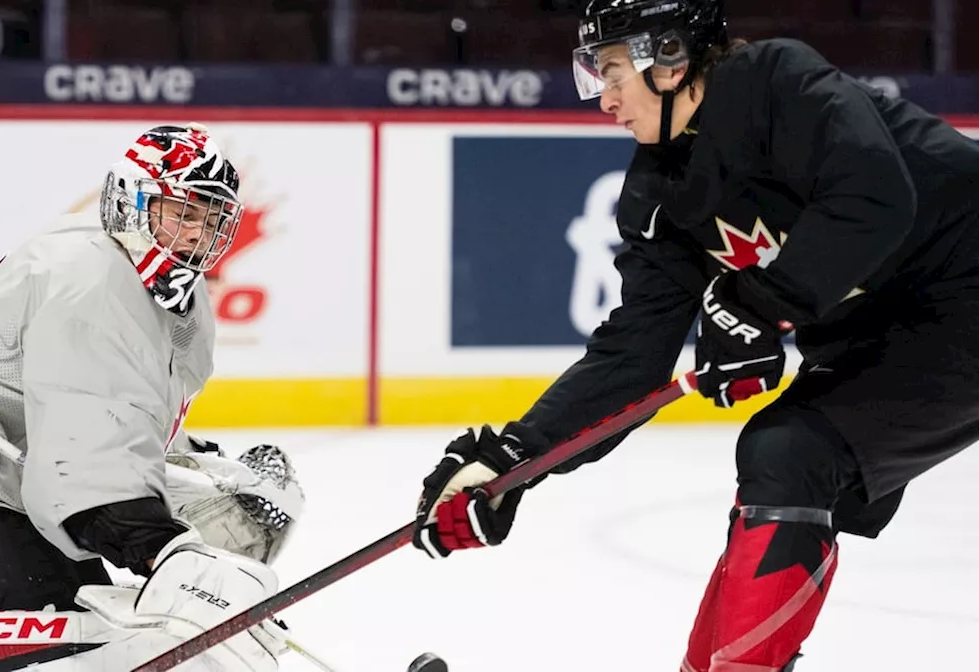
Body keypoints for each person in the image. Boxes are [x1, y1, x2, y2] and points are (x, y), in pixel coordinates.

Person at [409, 1, 979, 670]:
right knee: (784, 460)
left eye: (614, 72)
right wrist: (512, 462)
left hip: (964, 288)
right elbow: (632, 355)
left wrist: (761, 304)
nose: (604, 98)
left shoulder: (776, 83)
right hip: (881, 335)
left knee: (789, 452)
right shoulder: (657, 195)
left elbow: (874, 193)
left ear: (672, 58)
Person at [0, 123, 304, 671]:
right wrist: (163, 546)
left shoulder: (158, 291)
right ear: (131, 202)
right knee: (78, 649)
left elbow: (116, 417)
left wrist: (209, 475)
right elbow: (84, 459)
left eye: (209, 219)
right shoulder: (90, 284)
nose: (196, 234)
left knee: (111, 623)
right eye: (182, 213)